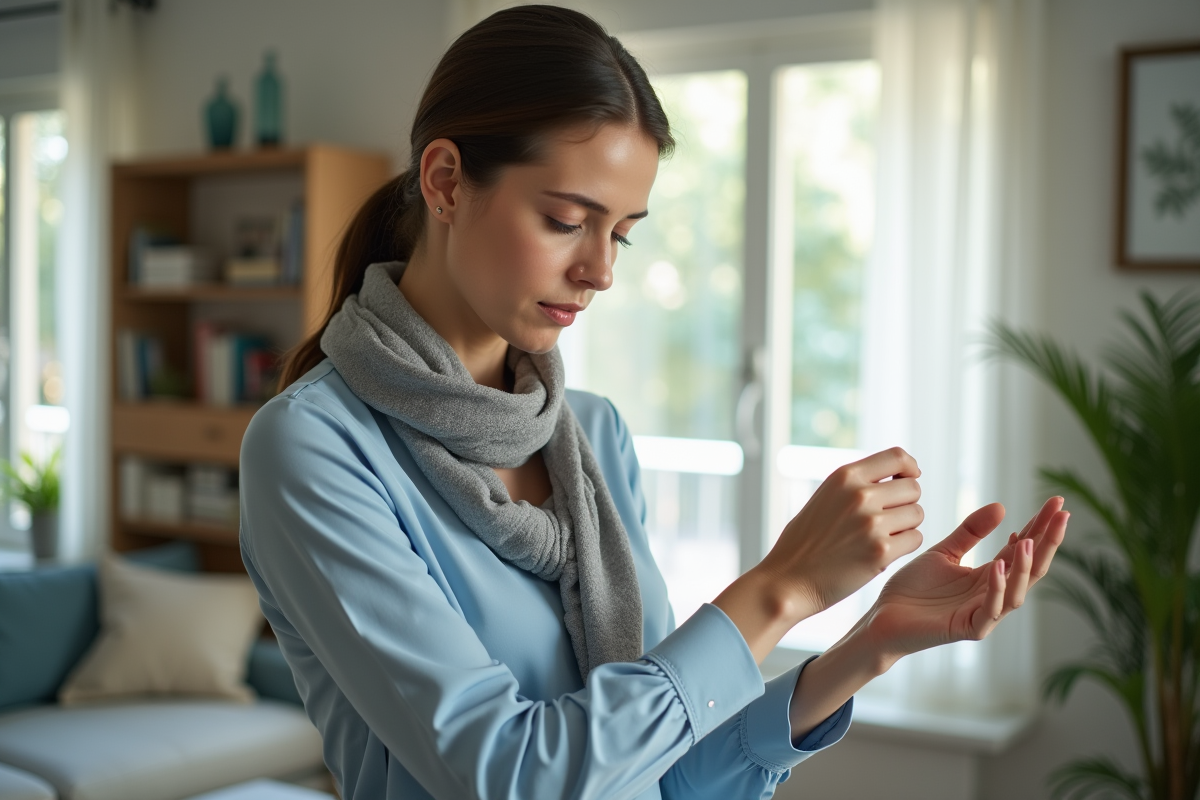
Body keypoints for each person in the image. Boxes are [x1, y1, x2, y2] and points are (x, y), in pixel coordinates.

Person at [238, 6, 1069, 800]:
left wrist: (869, 644)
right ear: (447, 181)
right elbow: (509, 778)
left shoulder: (591, 434)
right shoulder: (314, 447)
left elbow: (666, 778)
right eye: (568, 220)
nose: (601, 271)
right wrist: (777, 590)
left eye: (623, 233)